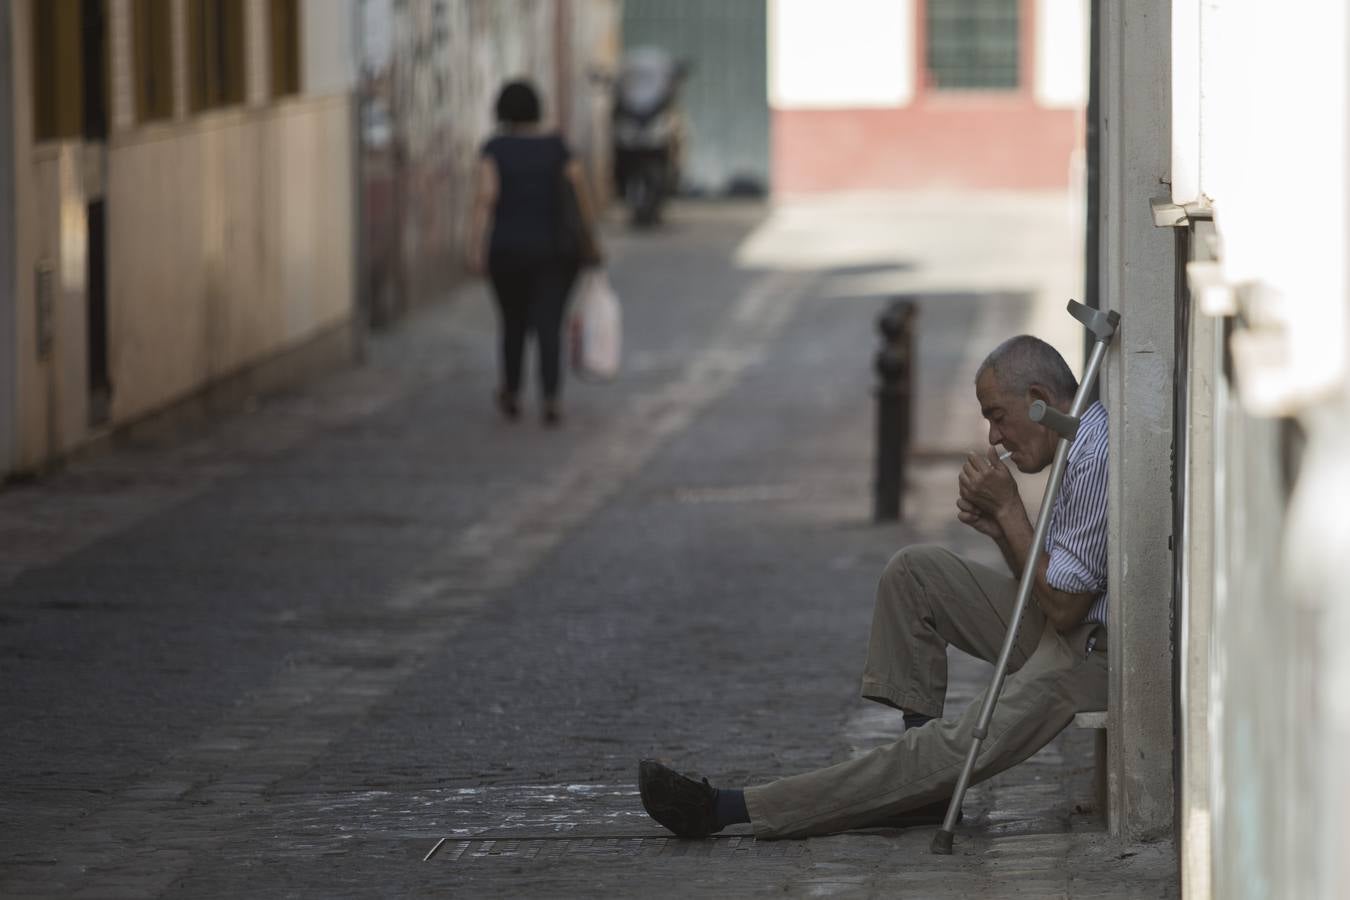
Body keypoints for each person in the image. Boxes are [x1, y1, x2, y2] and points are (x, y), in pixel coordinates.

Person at [639, 335, 1110, 839]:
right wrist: (999, 529)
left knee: (948, 747)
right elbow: (1049, 580)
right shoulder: (1073, 438)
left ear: (1039, 396)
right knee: (916, 573)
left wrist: (1010, 511)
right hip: (1064, 628)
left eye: (997, 416)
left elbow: (1063, 608)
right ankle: (924, 789)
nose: (994, 437)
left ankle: (731, 809)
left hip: (1089, 654)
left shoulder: (1092, 457)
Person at [468, 80, 601, 427]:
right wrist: (589, 237)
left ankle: (511, 391)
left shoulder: (495, 147)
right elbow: (581, 195)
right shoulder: (557, 147)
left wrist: (476, 245)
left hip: (507, 250)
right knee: (549, 323)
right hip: (555, 250)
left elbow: (486, 197)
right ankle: (551, 397)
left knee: (511, 322)